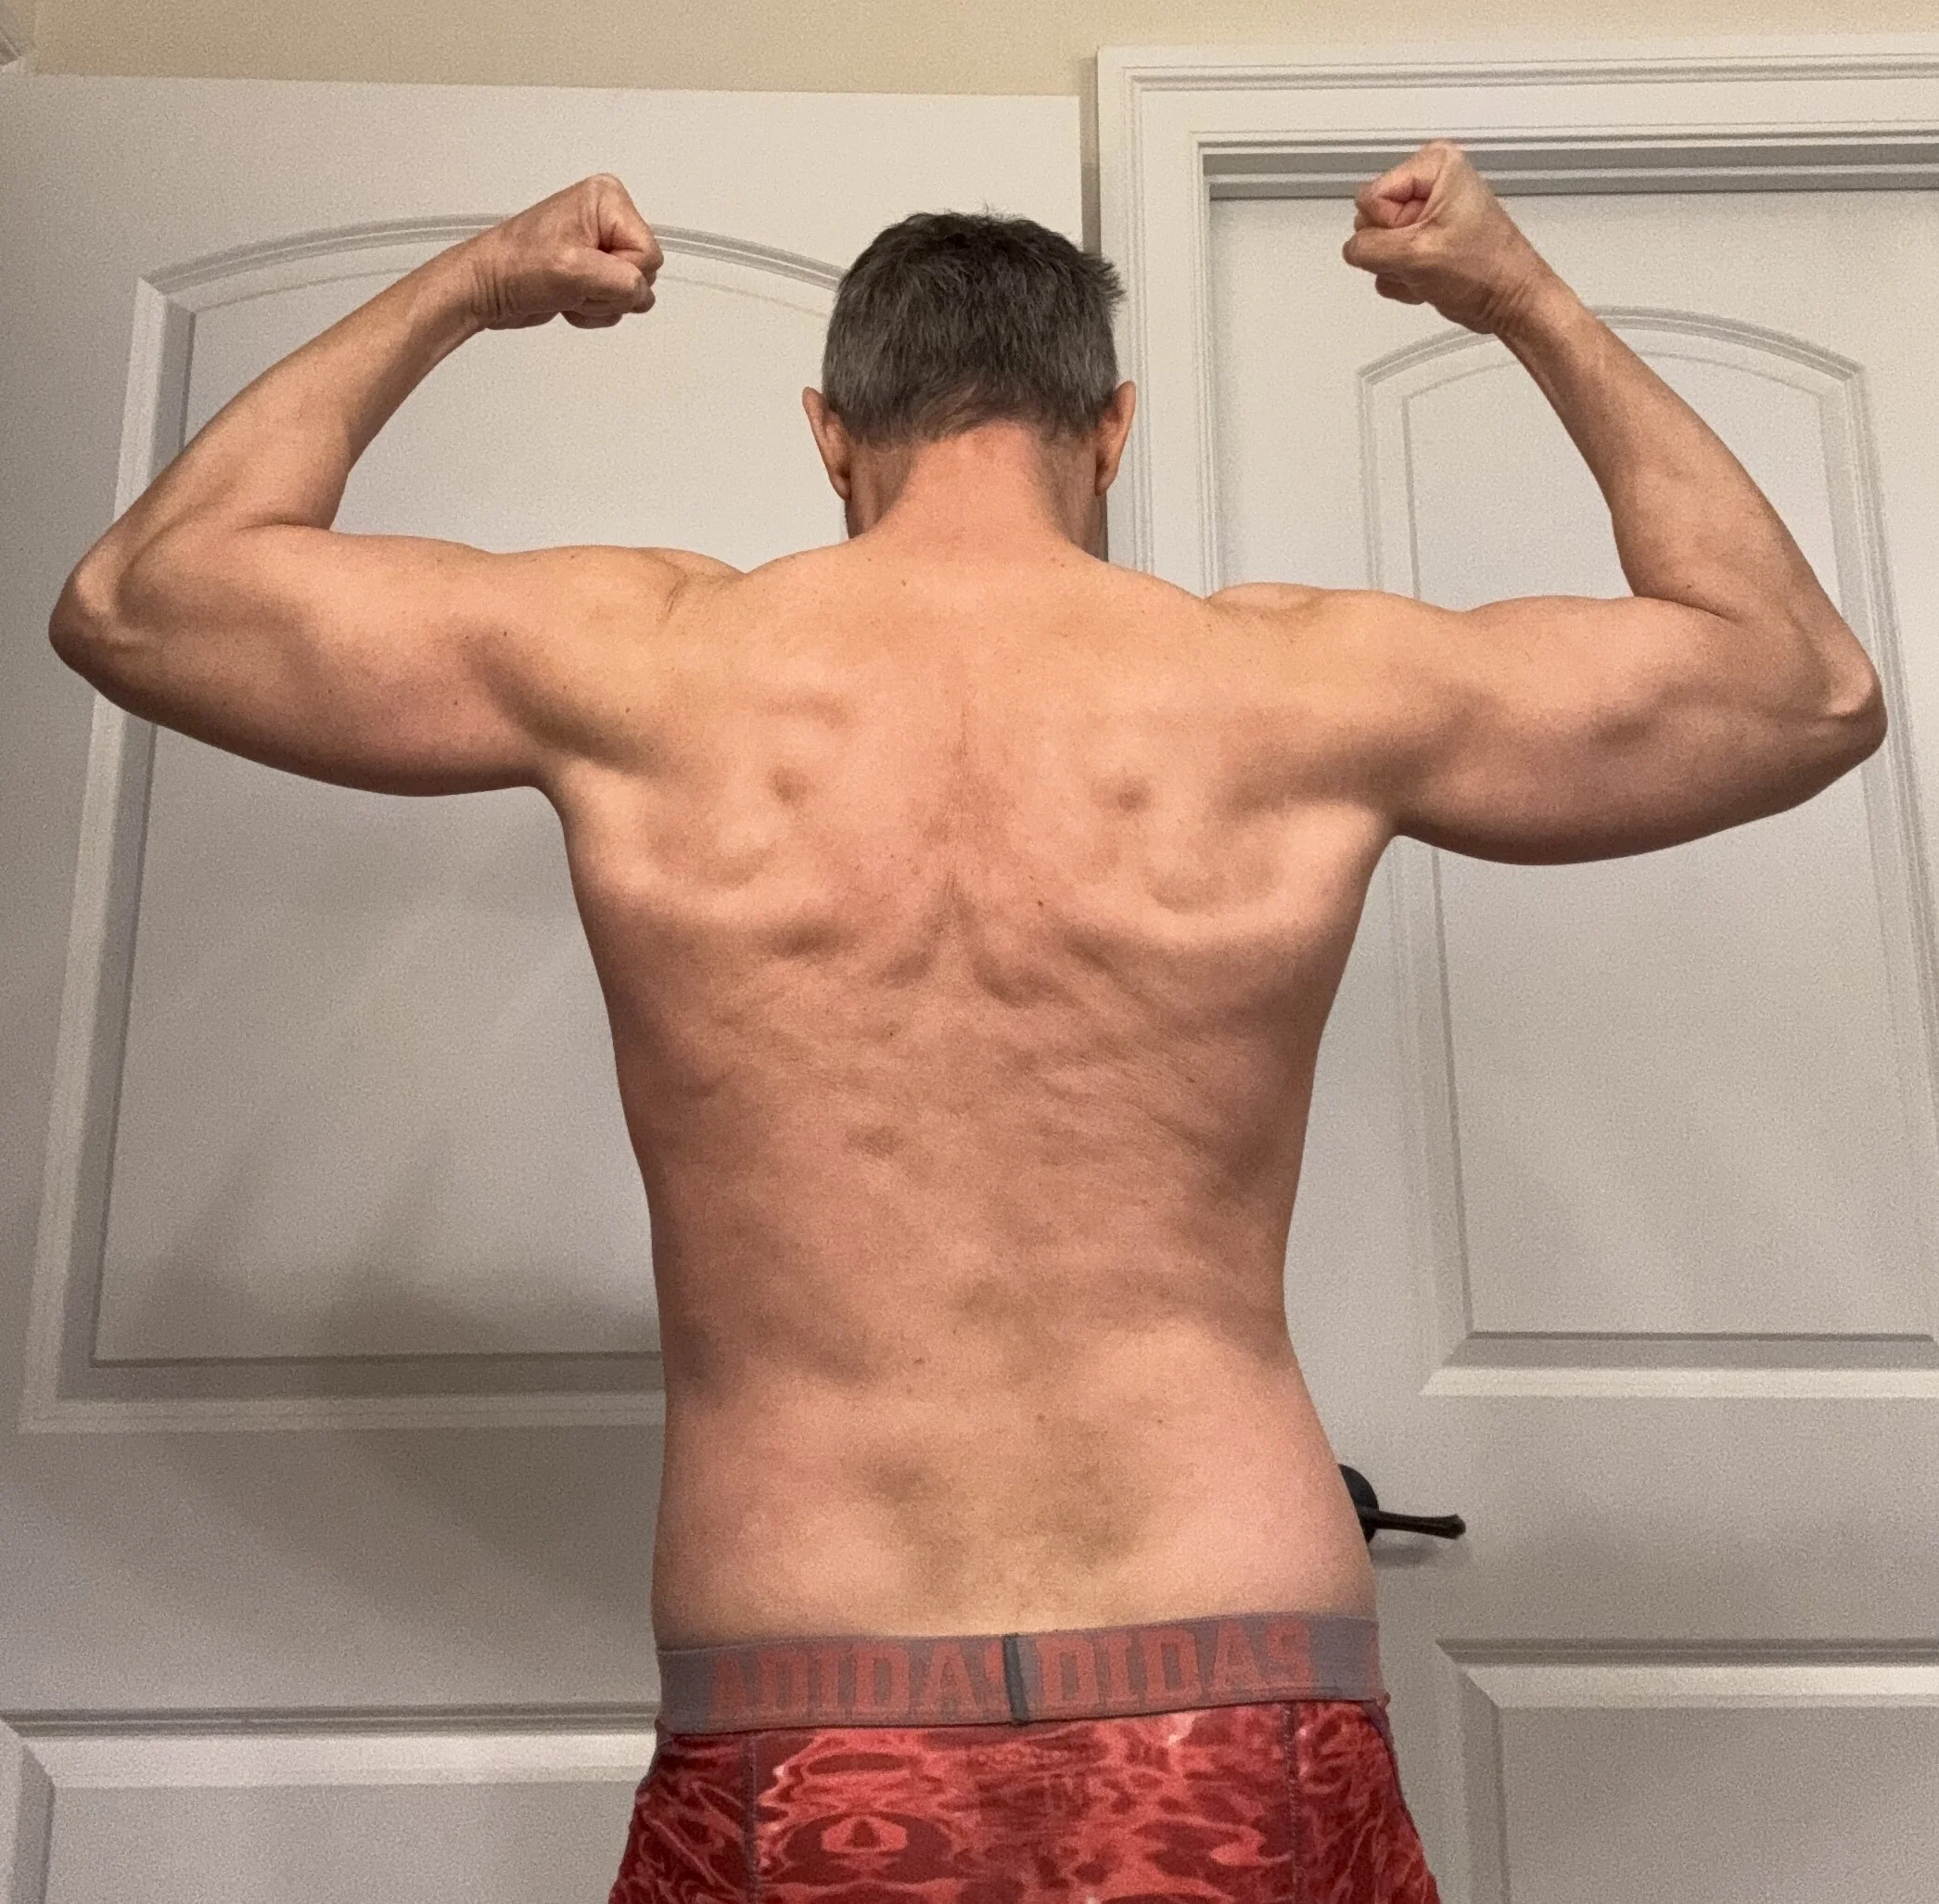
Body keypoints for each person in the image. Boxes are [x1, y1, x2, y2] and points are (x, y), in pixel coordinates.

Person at [49, 139, 1883, 1901]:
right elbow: (1800, 688)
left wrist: (472, 284)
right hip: (1234, 1680)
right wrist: (1517, 297)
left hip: (802, 1704)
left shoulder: (644, 667)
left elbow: (140, 597)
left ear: (830, 436)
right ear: (1112, 428)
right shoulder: (1297, 692)